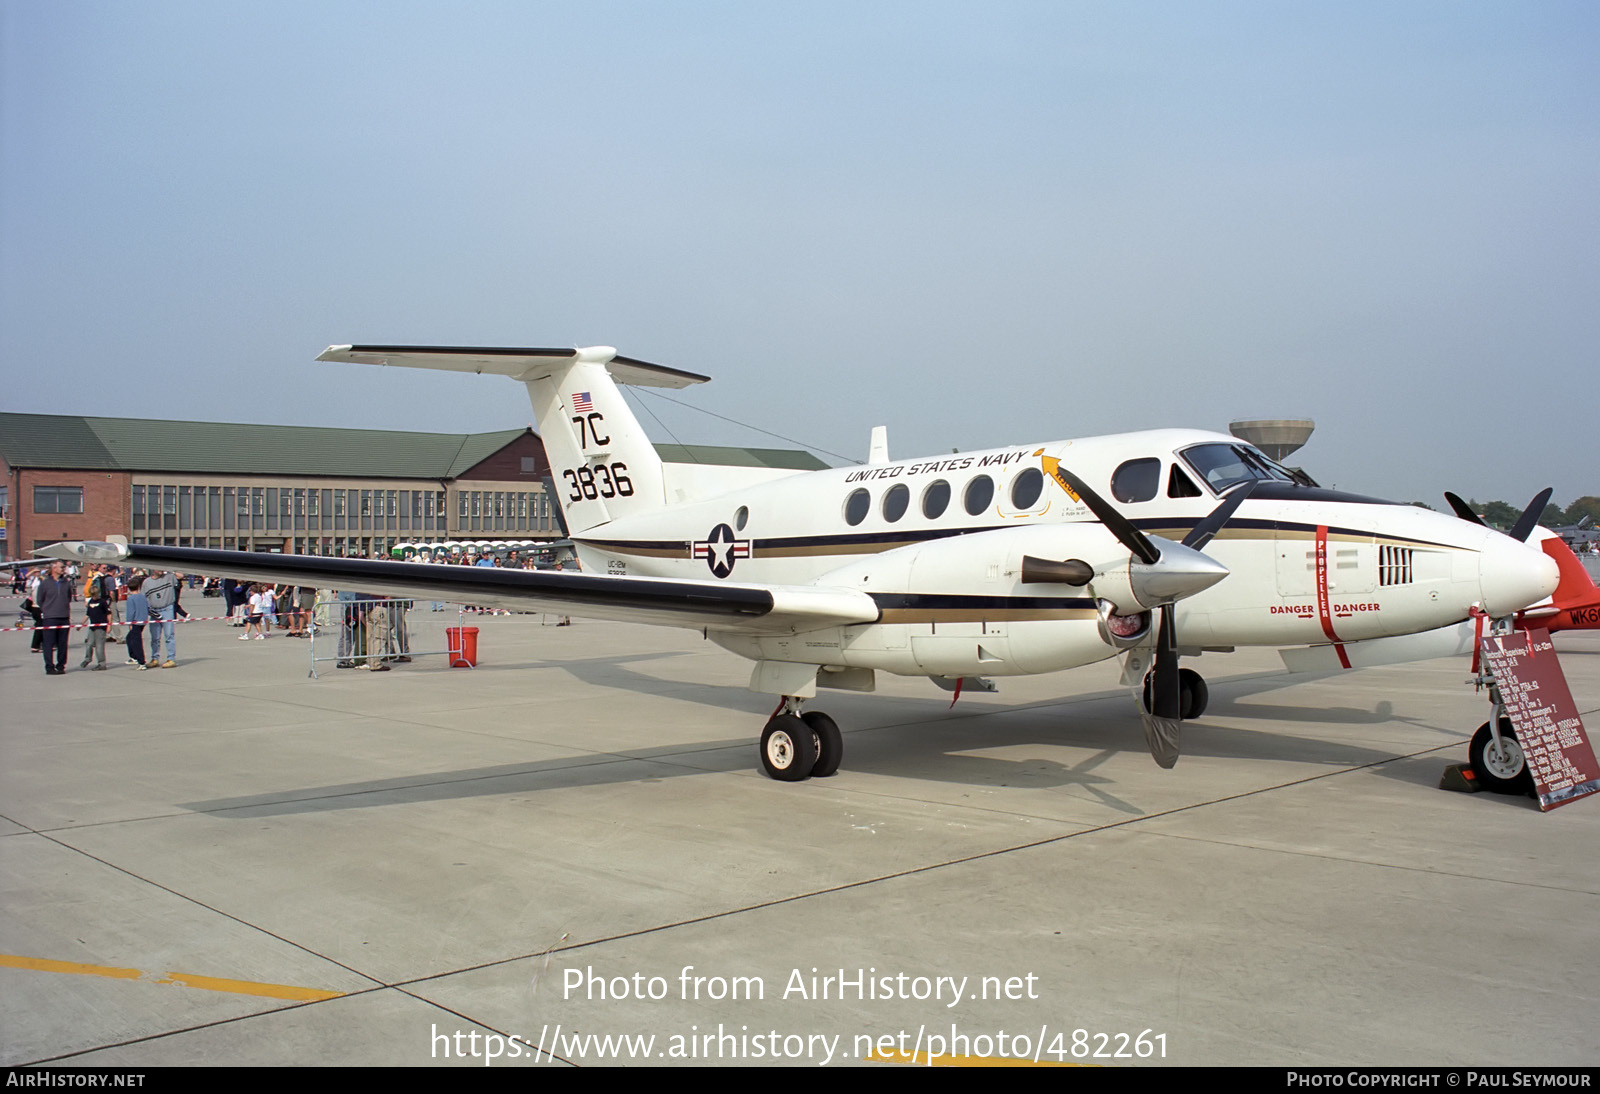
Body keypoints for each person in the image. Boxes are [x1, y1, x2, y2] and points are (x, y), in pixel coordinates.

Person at [36, 560, 73, 675]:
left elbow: (69, 597)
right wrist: (47, 610)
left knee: (62, 643)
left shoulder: (66, 583)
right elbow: (40, 600)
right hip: (50, 617)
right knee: (48, 643)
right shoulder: (45, 583)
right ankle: (49, 667)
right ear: (54, 568)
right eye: (61, 567)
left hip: (64, 616)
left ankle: (61, 665)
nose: (63, 569)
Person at [143, 569, 179, 668]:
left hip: (167, 608)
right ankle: (155, 658)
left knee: (169, 635)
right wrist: (149, 610)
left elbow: (180, 575)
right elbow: (144, 598)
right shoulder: (147, 583)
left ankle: (171, 658)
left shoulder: (169, 577)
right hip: (154, 611)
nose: (161, 570)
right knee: (155, 637)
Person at [79, 575, 112, 670]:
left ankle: (102, 664)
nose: (94, 597)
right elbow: (87, 614)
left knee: (99, 646)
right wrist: (81, 624)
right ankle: (87, 659)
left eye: (95, 595)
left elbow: (109, 614)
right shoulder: (90, 602)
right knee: (89, 644)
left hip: (101, 627)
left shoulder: (102, 602)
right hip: (92, 627)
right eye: (92, 595)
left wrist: (109, 625)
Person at [124, 574, 149, 668]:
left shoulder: (131, 599)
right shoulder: (143, 597)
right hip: (143, 621)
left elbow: (131, 612)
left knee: (136, 642)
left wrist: (129, 622)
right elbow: (148, 607)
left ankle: (141, 662)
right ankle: (133, 657)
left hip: (135, 622)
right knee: (129, 638)